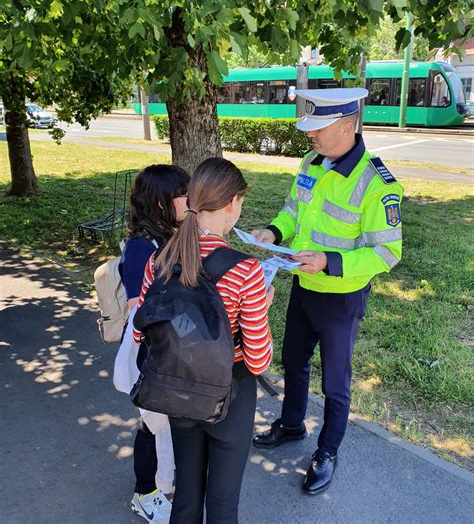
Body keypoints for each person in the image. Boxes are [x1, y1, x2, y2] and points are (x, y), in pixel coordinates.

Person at [251, 88, 403, 496]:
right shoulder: (311, 161)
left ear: (347, 126)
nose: (310, 137)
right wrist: (274, 230)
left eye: (318, 129)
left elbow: (387, 252)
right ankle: (291, 424)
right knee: (293, 361)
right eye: (310, 129)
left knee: (335, 382)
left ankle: (327, 451)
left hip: (341, 297)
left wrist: (330, 262)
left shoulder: (376, 182)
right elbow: (294, 211)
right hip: (304, 285)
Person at [134, 157, 274, 524]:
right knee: (223, 504)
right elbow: (259, 361)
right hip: (229, 394)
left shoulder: (160, 258)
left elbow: (139, 329)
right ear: (232, 205)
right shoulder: (246, 271)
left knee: (187, 497)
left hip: (177, 391)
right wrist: (263, 305)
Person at [119, 164, 190, 522]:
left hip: (170, 350)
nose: (188, 200)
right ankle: (144, 493)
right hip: (152, 354)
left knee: (164, 421)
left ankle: (164, 480)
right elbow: (141, 312)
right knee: (150, 423)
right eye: (182, 194)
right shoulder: (140, 249)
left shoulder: (168, 235)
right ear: (162, 202)